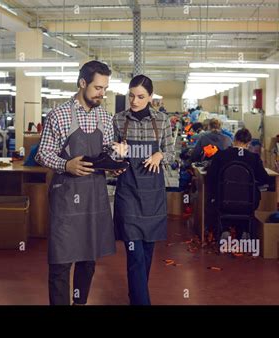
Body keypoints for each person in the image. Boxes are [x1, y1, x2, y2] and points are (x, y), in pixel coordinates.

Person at [35, 60, 117, 305]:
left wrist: (116, 162)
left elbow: (106, 152)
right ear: (83, 83)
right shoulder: (58, 115)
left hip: (94, 196)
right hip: (66, 197)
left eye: (105, 88)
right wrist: (65, 165)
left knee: (88, 258)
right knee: (60, 261)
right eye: (98, 88)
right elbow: (42, 153)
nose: (102, 94)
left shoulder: (105, 116)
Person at [112, 75, 174, 305]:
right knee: (135, 252)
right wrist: (116, 154)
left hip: (153, 195)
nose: (134, 101)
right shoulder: (118, 120)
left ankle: (136, 294)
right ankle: (141, 302)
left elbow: (172, 154)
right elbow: (111, 157)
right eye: (131, 96)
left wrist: (160, 154)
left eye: (140, 97)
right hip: (128, 193)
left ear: (150, 97)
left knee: (147, 252)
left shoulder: (162, 121)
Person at [206, 128, 269, 239]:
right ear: (248, 143)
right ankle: (245, 230)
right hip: (248, 202)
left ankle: (225, 229)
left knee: (218, 198)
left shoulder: (221, 155)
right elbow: (264, 179)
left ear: (234, 139)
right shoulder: (254, 158)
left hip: (223, 201)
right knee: (243, 202)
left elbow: (210, 178)